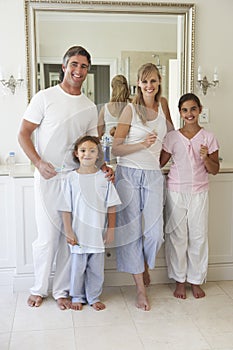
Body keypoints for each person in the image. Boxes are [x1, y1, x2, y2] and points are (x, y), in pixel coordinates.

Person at [18, 46, 113, 309]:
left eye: (83, 66)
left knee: (70, 237)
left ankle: (62, 290)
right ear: (64, 66)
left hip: (76, 180)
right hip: (48, 178)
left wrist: (104, 166)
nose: (78, 70)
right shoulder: (44, 97)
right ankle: (39, 288)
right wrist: (38, 163)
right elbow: (23, 134)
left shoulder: (88, 106)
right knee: (47, 236)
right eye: (74, 64)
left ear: (88, 70)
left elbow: (92, 144)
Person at [112, 63, 173, 311]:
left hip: (152, 175)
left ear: (159, 83)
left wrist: (159, 162)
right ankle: (140, 288)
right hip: (128, 173)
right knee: (131, 231)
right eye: (145, 81)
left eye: (154, 81)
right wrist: (141, 146)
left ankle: (144, 265)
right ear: (138, 83)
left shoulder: (164, 105)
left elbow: (170, 137)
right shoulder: (130, 109)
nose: (149, 86)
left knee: (155, 232)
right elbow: (115, 148)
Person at [160, 93, 220, 299]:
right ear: (180, 113)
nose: (189, 114)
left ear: (200, 110)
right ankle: (179, 280)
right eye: (185, 110)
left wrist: (205, 157)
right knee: (177, 237)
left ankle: (195, 280)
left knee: (198, 236)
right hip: (176, 191)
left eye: (193, 109)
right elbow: (160, 162)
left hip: (199, 192)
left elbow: (214, 170)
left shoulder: (208, 137)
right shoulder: (172, 137)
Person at [58, 135, 121, 311]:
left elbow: (112, 206)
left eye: (92, 151)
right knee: (77, 268)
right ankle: (77, 296)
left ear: (98, 154)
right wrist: (69, 231)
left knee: (96, 269)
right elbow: (65, 208)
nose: (87, 154)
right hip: (78, 234)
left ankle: (93, 296)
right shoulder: (70, 178)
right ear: (76, 154)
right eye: (83, 150)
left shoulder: (104, 178)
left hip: (97, 234)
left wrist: (110, 230)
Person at [98, 74, 131, 139]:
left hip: (108, 146)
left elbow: (98, 133)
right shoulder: (131, 105)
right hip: (126, 146)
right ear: (126, 87)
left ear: (113, 88)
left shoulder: (105, 108)